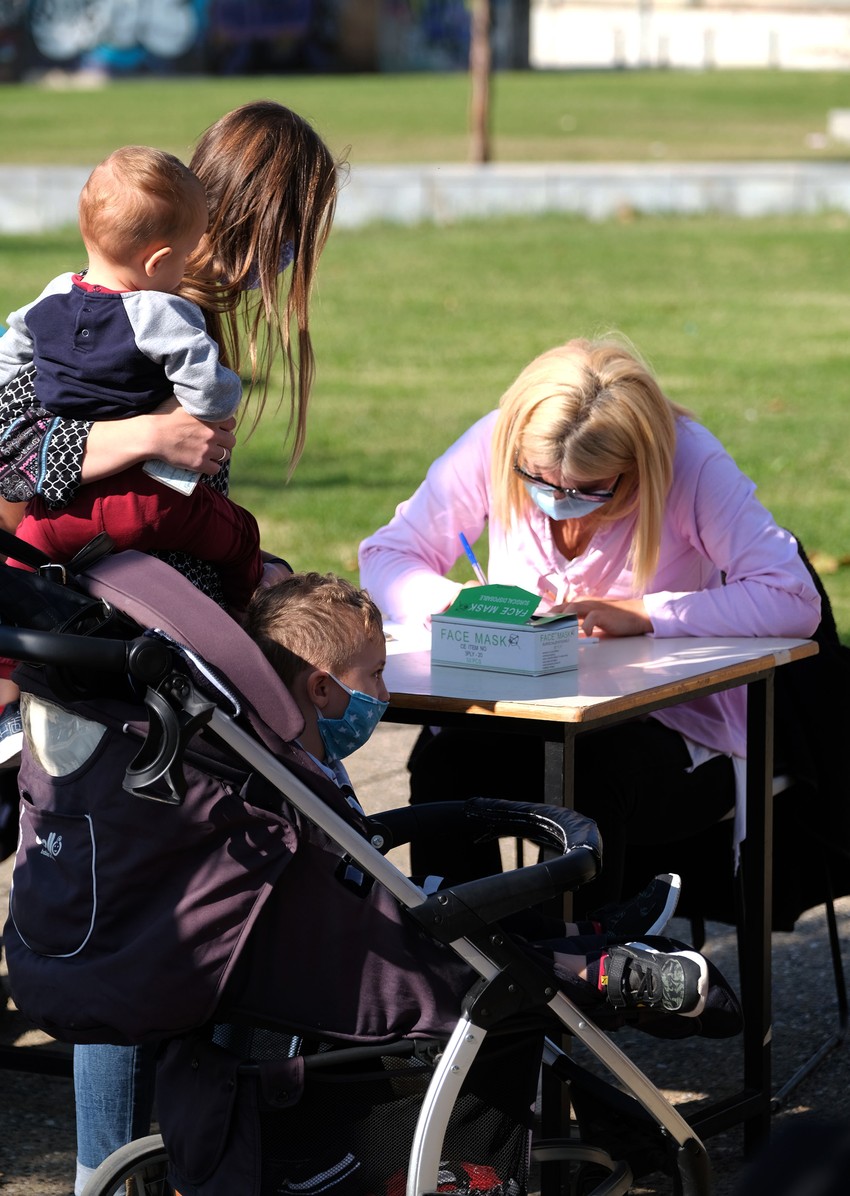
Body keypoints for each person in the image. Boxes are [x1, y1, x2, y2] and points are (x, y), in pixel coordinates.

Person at [0, 99, 340, 1195]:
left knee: (180, 883)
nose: (291, 268)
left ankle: (210, 1124)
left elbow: (181, 509)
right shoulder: (106, 314)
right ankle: (126, 1155)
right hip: (98, 644)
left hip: (147, 630)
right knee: (130, 902)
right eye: (294, 239)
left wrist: (245, 561)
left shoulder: (178, 317)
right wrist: (148, 436)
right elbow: (10, 448)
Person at [358, 334, 822, 911]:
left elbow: (791, 597)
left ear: (637, 467)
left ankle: (575, 958)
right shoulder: (496, 441)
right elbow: (388, 554)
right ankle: (462, 954)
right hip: (530, 718)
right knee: (443, 765)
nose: (560, 498)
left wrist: (647, 614)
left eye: (591, 489)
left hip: (676, 733)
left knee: (590, 781)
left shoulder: (689, 462)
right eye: (538, 480)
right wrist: (455, 603)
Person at [244, 571, 740, 1035]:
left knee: (452, 899)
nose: (386, 694)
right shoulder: (288, 785)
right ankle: (593, 972)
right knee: (451, 919)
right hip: (366, 955)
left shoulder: (309, 760)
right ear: (322, 688)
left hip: (368, 917)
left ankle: (586, 931)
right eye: (375, 675)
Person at [0, 144, 263, 613]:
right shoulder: (162, 313)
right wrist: (224, 394)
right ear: (157, 261)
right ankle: (244, 615)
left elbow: (10, 354)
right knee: (241, 538)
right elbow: (209, 394)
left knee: (18, 575)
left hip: (59, 512)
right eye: (185, 256)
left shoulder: (53, 295)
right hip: (151, 502)